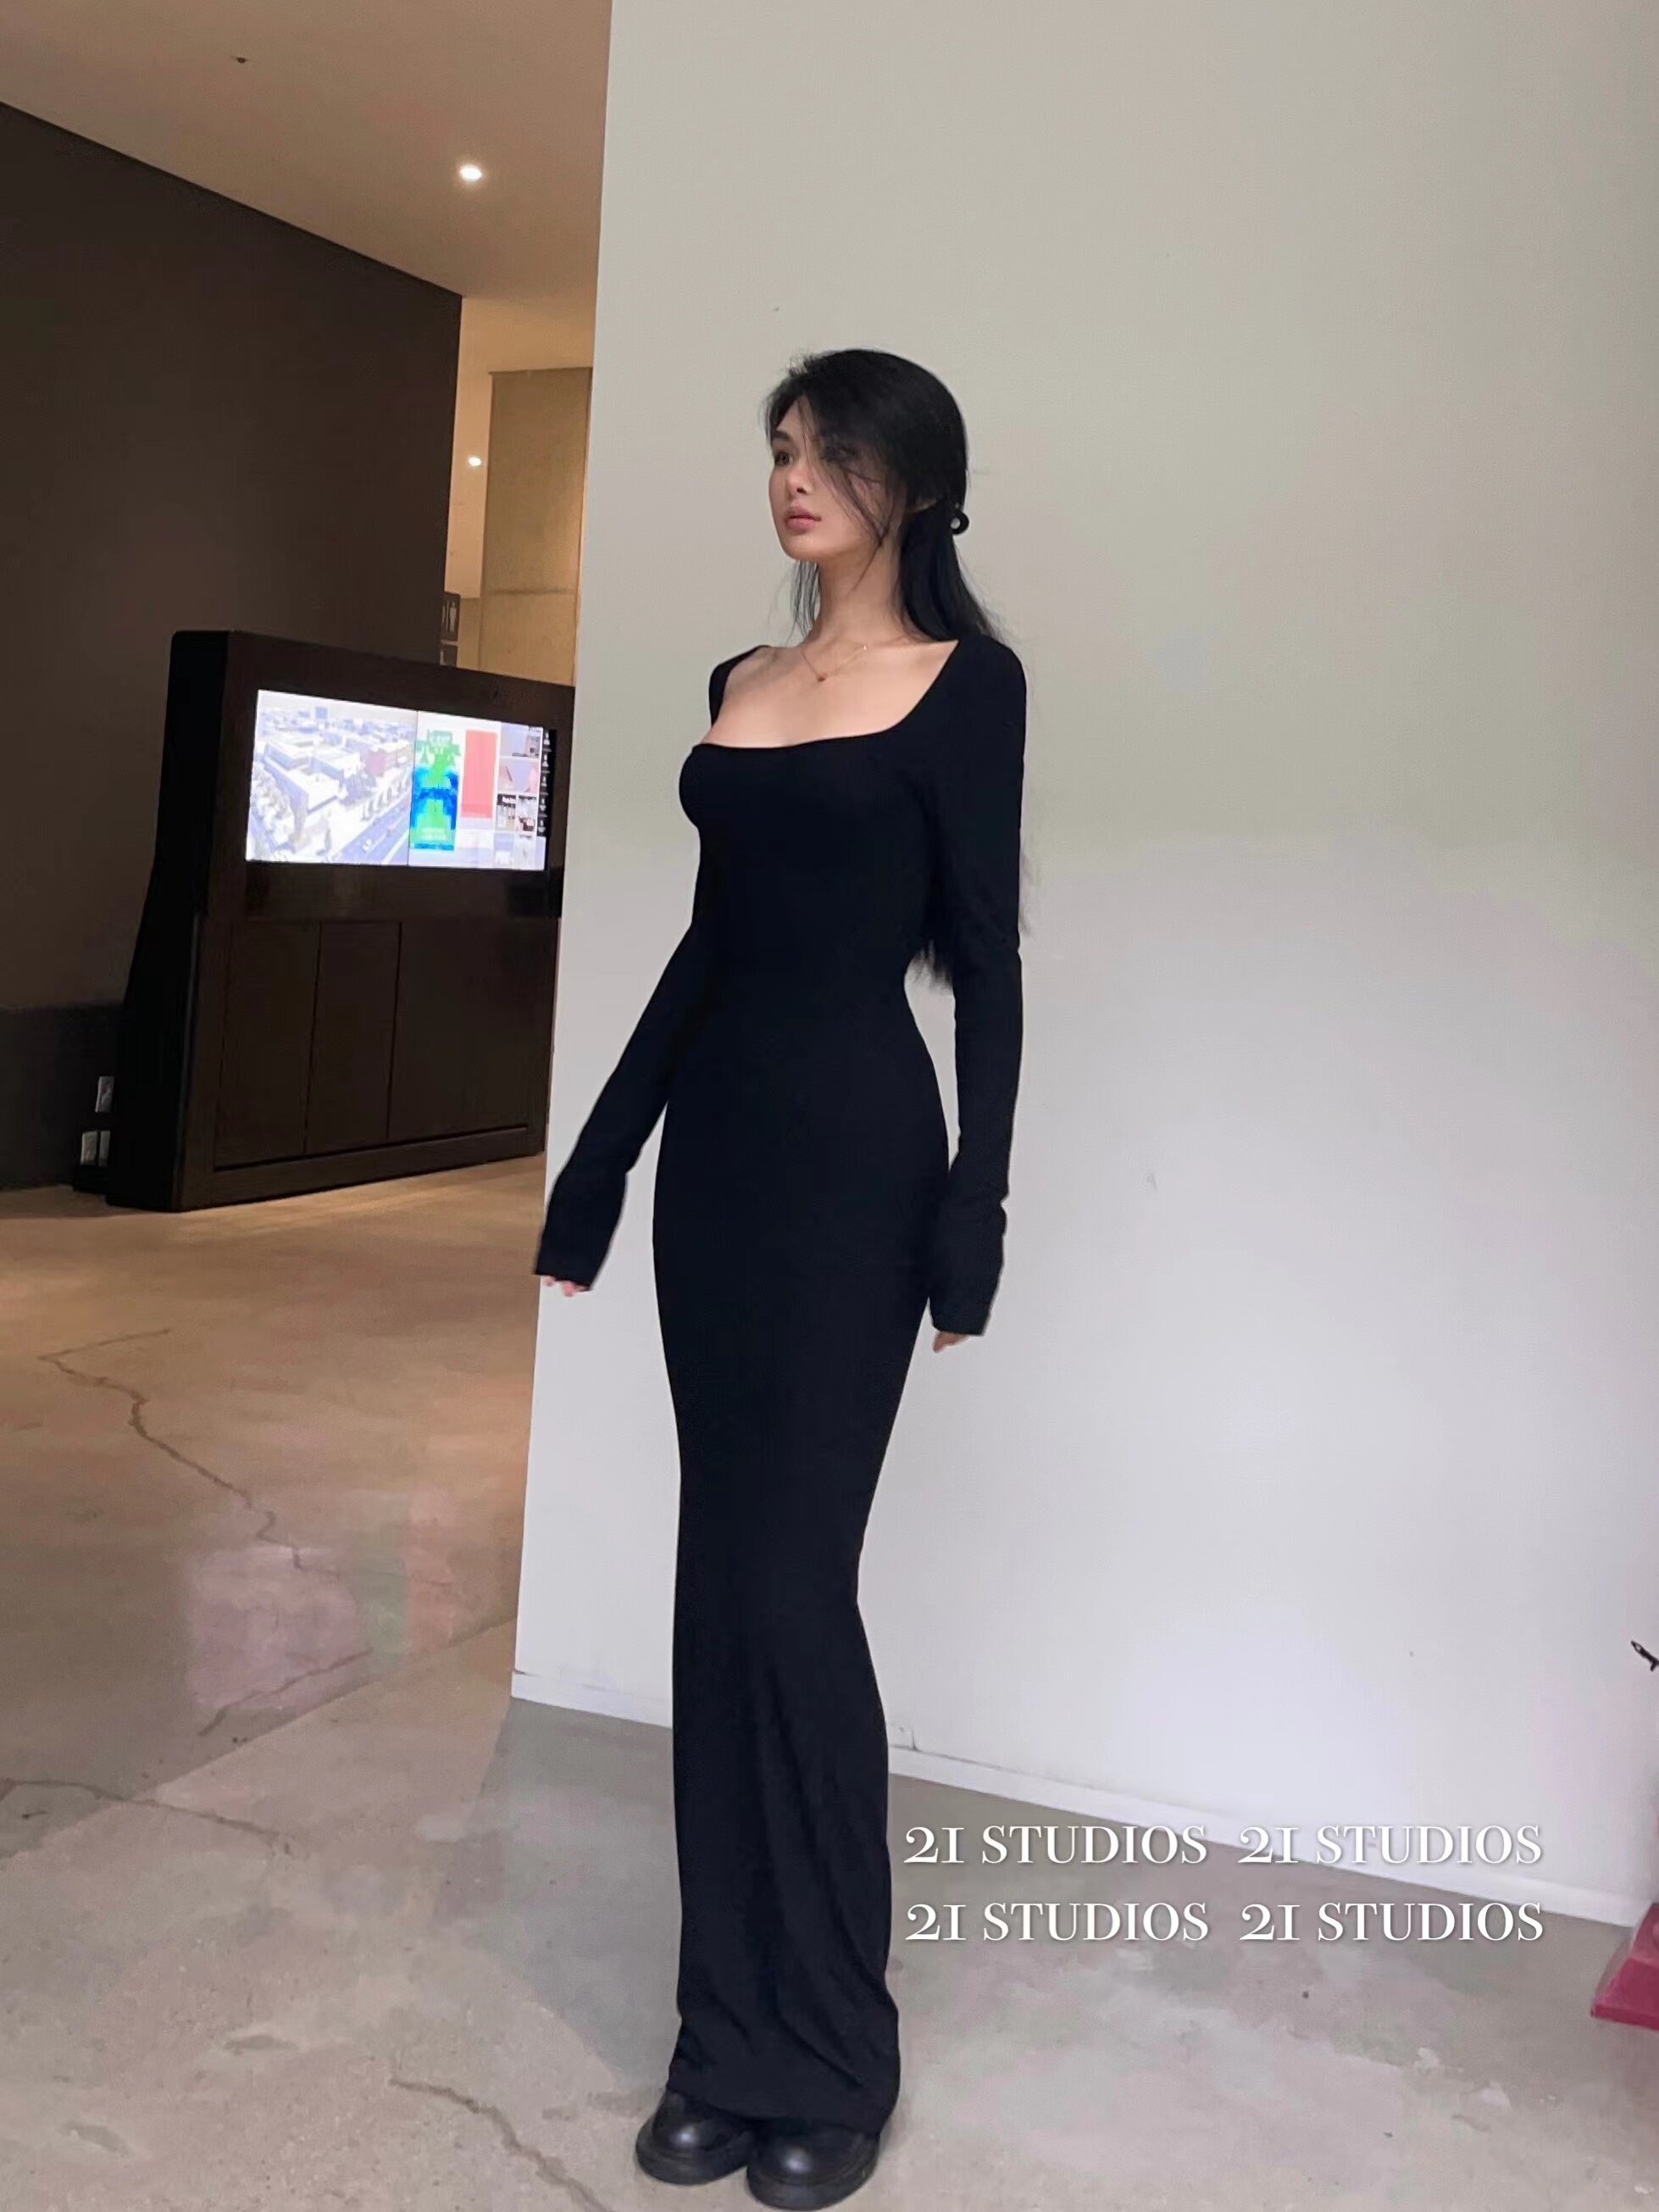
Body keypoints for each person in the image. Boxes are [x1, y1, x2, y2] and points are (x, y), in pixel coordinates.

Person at [535, 346, 1027, 2209]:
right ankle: (721, 2036)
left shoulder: (967, 686)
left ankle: (829, 2049)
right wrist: (597, 1168)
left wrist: (976, 1212)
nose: (792, 475)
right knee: (715, 1591)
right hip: (718, 1177)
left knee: (792, 1592)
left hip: (855, 1173)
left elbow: (985, 963)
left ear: (915, 482)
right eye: (781, 448)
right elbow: (704, 954)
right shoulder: (738, 683)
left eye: (828, 450)